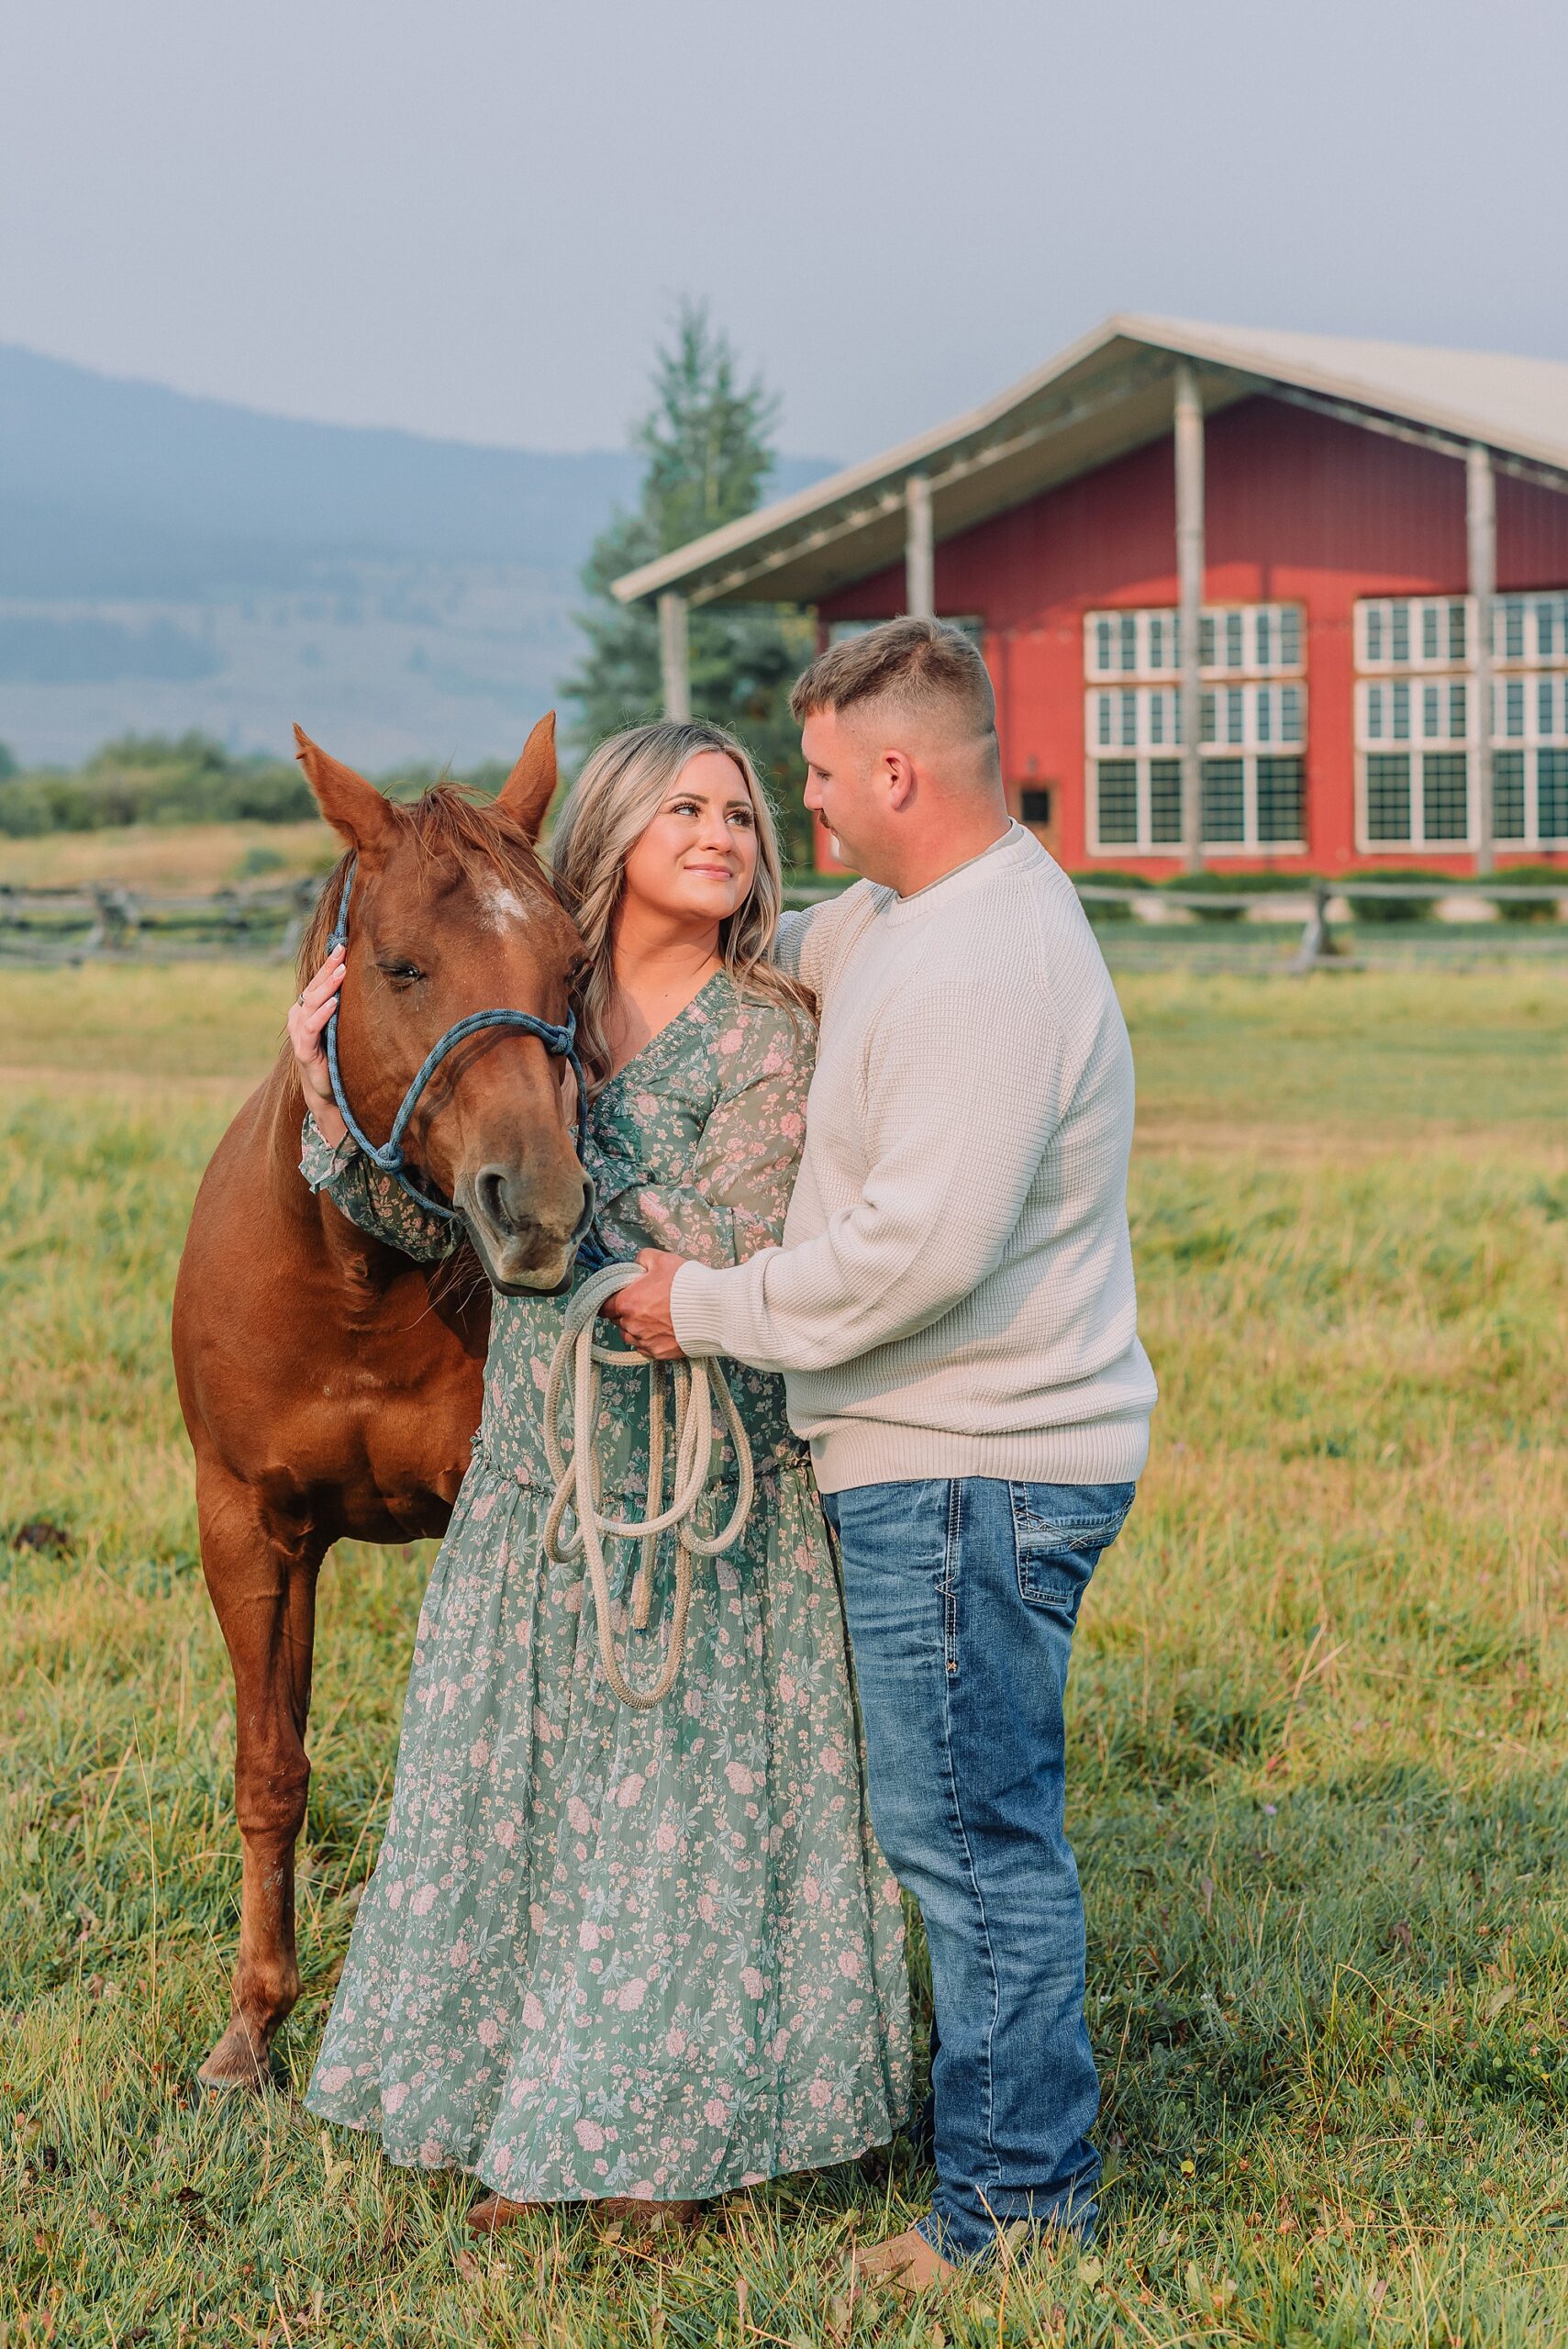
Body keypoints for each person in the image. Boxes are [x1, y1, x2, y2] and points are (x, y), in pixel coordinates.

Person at [288, 719, 910, 2231]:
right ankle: (532, 2104)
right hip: (536, 1478)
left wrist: (549, 1164)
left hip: (695, 1491)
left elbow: (731, 1243)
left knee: (679, 1825)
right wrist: (335, 1100)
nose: (721, 833)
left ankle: (661, 2147)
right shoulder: (538, 1023)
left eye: (745, 816)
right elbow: (458, 1238)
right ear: (617, 830)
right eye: (686, 806)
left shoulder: (767, 1031)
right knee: (535, 1806)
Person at [608, 619, 1158, 2288]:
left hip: (969, 1463)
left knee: (972, 1842)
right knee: (968, 1829)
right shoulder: (923, 920)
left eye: (827, 784)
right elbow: (780, 932)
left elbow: (915, 1255)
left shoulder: (989, 965)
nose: (806, 821)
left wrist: (699, 1302)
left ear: (898, 772)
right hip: (953, 1456)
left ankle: (1008, 2214)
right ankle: (1007, 2169)